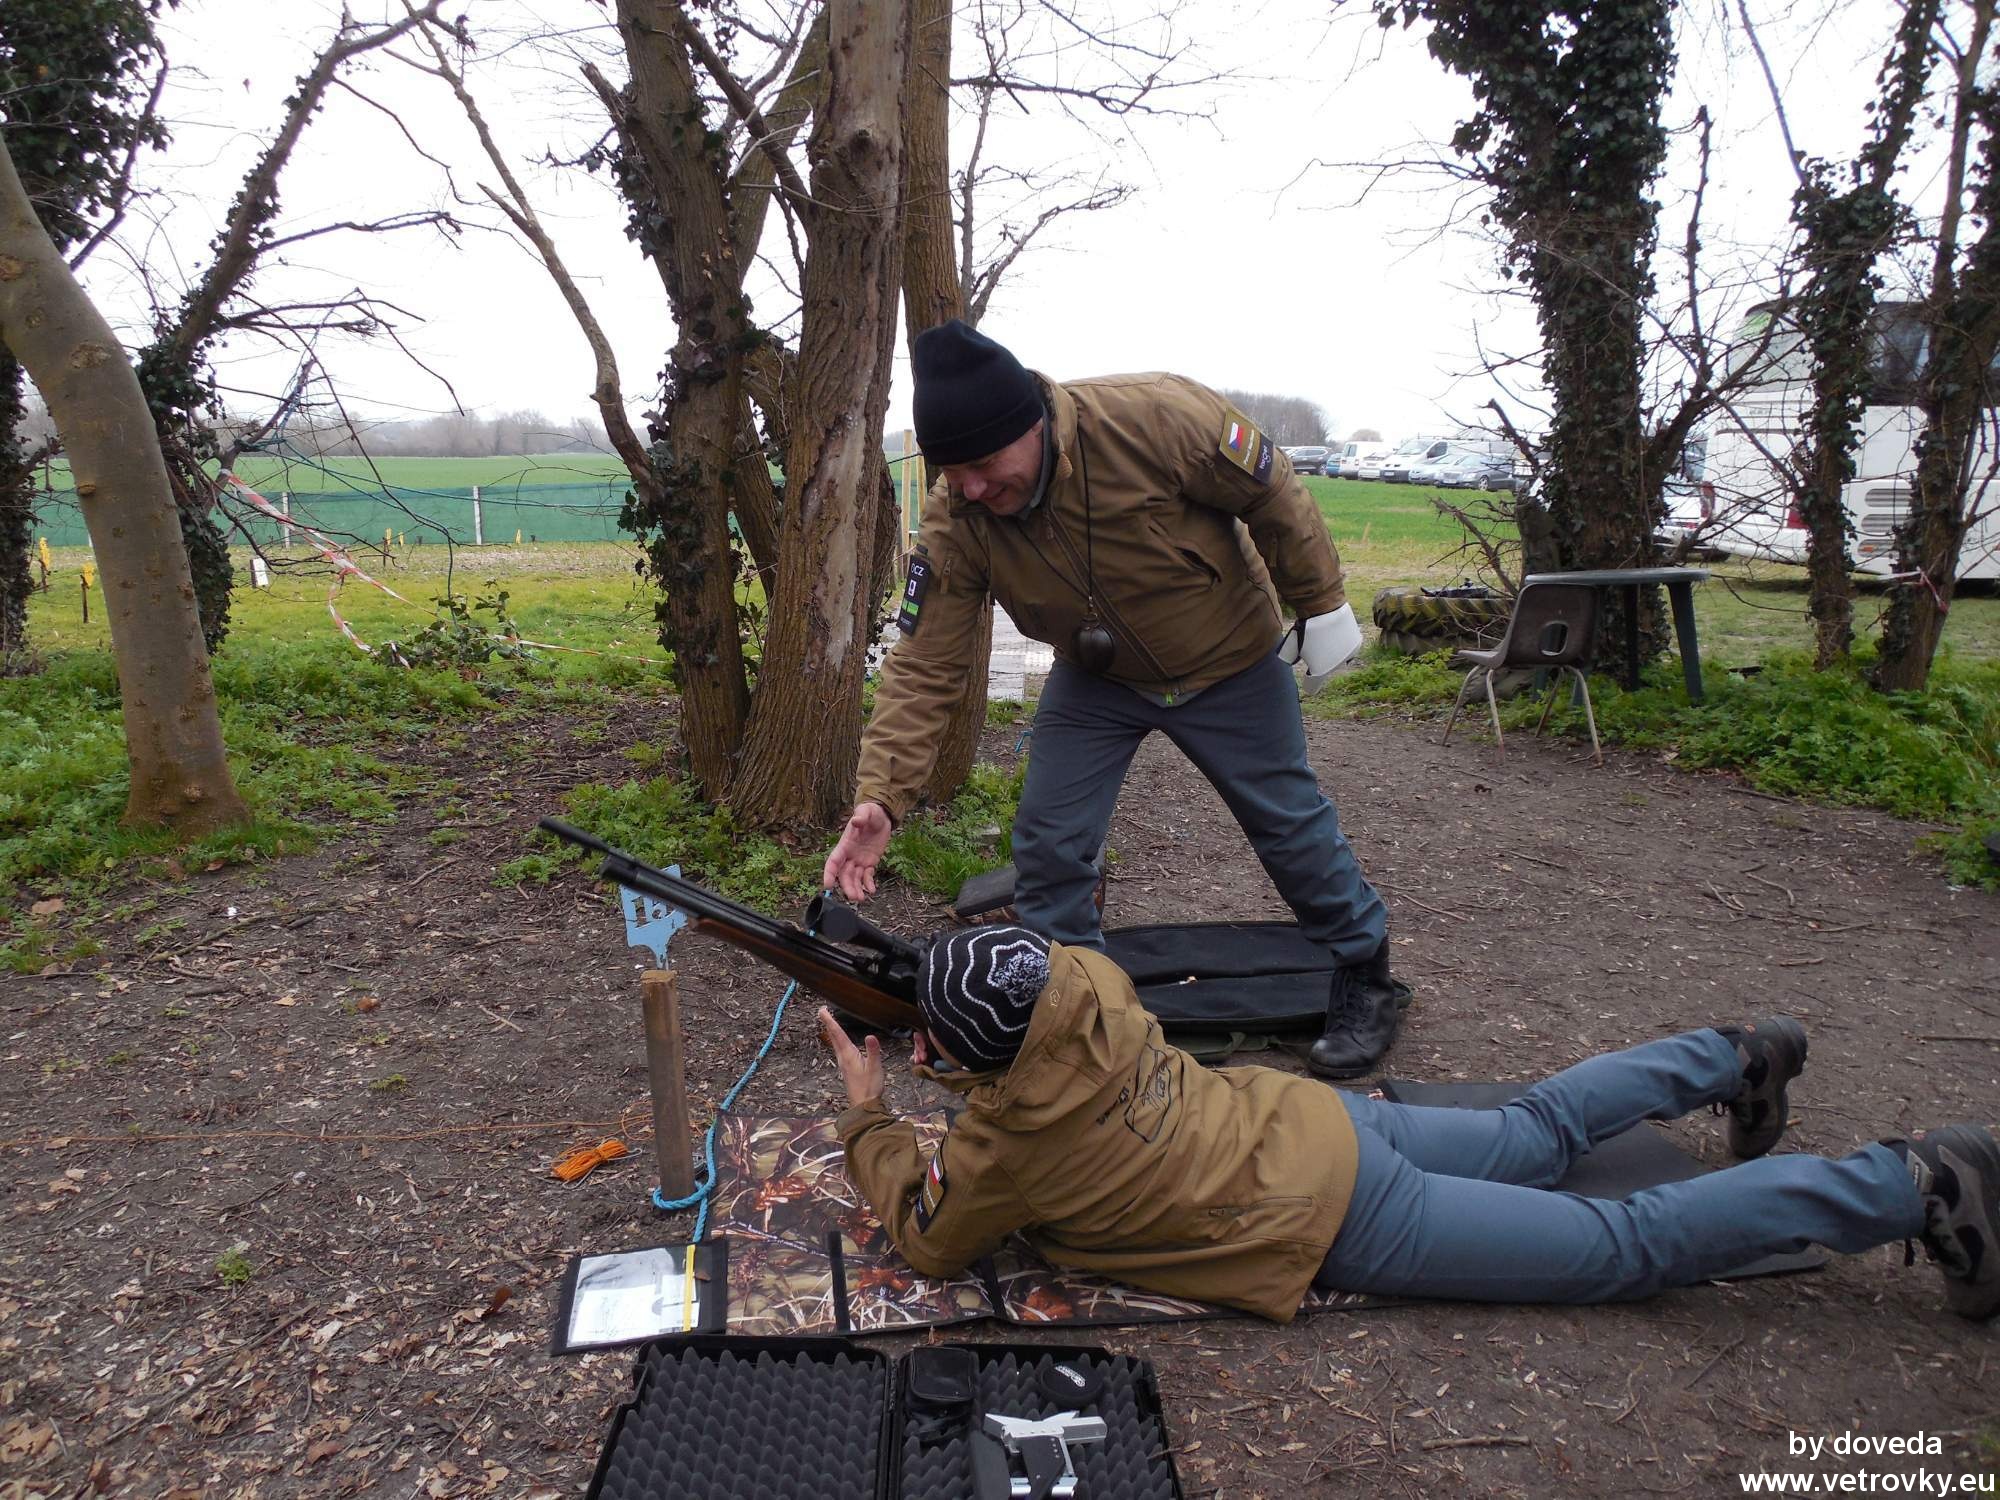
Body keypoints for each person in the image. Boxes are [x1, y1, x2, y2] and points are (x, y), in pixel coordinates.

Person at [816, 925, 2000, 1323]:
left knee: (1622, 1247)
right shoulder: (1084, 985)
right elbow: (1012, 1016)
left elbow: (929, 1240)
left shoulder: (1008, 1150)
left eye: (935, 1048)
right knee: (1538, 1126)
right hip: (1314, 1120)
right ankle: (1733, 1055)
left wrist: (872, 1115)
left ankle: (1911, 1185)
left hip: (1331, 1212)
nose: (922, 1058)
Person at [823, 318, 1401, 1077]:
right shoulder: (957, 514)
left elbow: (1273, 491)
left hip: (1228, 658)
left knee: (1288, 825)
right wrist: (883, 795)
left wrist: (1319, 602)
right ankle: (1080, 1007)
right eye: (954, 471)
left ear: (1032, 424)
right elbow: (928, 657)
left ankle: (1363, 968)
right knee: (1049, 842)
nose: (973, 488)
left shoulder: (1156, 419)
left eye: (986, 464)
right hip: (1097, 678)